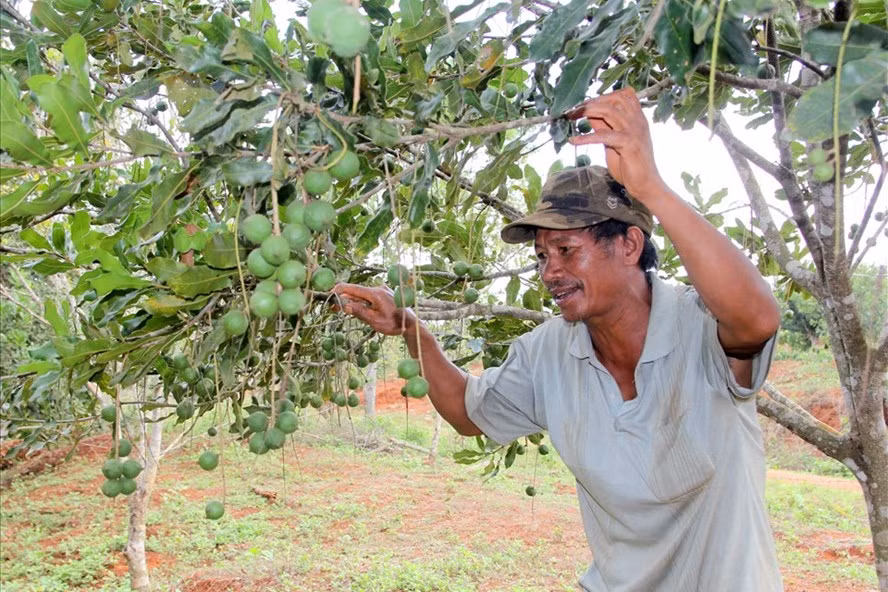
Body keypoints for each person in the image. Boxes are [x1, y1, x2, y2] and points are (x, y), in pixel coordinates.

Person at [333, 88, 783, 592]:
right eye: (543, 256)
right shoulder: (550, 350)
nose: (551, 272)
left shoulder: (701, 325)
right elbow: (466, 411)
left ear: (629, 244)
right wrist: (409, 329)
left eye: (566, 249)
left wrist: (650, 186)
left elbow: (757, 319)